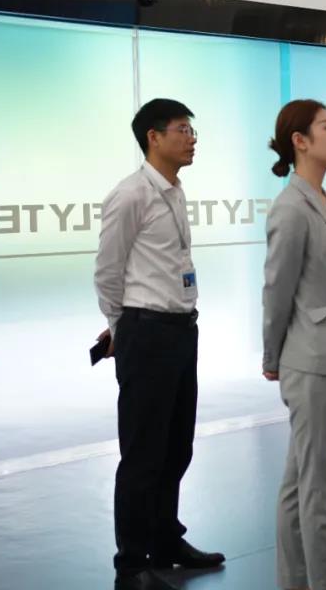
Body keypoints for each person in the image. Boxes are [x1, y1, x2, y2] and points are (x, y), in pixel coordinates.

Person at [94, 98, 224, 590]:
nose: (192, 139)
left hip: (180, 329)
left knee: (176, 447)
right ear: (153, 136)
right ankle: (131, 561)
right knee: (143, 453)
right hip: (146, 332)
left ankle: (166, 540)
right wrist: (121, 326)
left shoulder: (174, 191)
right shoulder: (131, 194)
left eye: (192, 130)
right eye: (182, 129)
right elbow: (108, 271)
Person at [262, 99, 326, 590]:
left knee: (299, 478)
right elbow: (276, 291)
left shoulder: (324, 200)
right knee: (318, 486)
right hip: (310, 359)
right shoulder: (291, 208)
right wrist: (271, 356)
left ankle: (295, 581)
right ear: (299, 141)